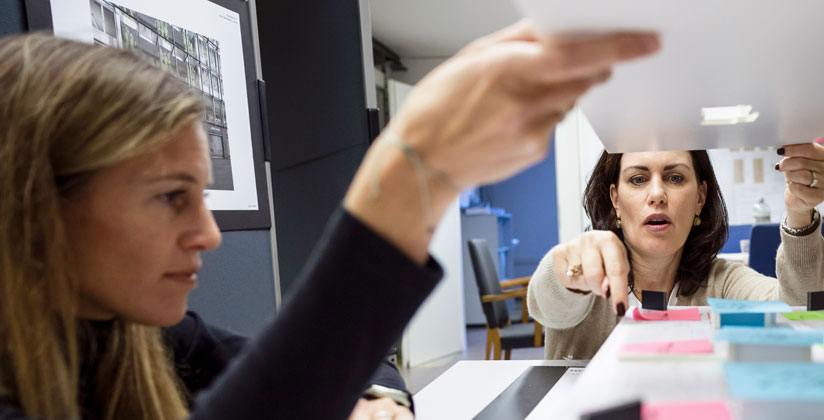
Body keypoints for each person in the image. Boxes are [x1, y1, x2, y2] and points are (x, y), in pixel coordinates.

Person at [0, 22, 658, 420]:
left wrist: (381, 402)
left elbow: (323, 369)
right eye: (171, 196)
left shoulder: (149, 338)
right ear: (36, 207)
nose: (209, 235)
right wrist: (405, 180)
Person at [526, 144, 824, 360]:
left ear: (700, 197)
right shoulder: (590, 274)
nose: (657, 194)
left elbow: (799, 310)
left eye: (675, 178)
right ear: (615, 199)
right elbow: (545, 306)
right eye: (638, 179)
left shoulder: (722, 281)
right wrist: (569, 275)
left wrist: (799, 211)